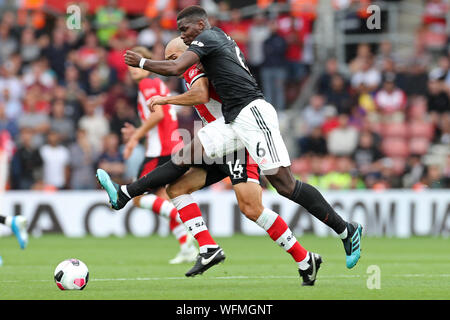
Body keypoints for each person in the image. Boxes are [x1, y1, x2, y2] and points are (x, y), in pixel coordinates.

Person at [101, 6, 362, 279]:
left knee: (280, 188)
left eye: (183, 33)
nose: (183, 39)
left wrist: (144, 64)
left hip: (250, 119)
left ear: (199, 26)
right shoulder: (209, 48)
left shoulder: (204, 46)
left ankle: (344, 230)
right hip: (231, 125)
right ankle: (130, 196)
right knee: (181, 173)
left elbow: (192, 84)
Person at [140, 36, 320, 284]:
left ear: (189, 53)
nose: (173, 64)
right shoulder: (195, 71)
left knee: (251, 208)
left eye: (174, 57)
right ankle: (207, 247)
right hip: (218, 142)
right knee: (177, 187)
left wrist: (165, 98)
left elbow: (201, 95)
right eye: (170, 59)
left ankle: (304, 258)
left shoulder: (198, 69)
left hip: (235, 140)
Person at [115, 46, 197, 265]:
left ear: (147, 64)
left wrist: (134, 138)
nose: (133, 69)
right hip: (173, 146)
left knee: (138, 197)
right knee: (164, 198)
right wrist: (137, 132)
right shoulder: (157, 84)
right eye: (130, 65)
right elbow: (159, 119)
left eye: (137, 64)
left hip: (161, 151)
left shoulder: (147, 83)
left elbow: (159, 114)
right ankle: (187, 247)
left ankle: (187, 223)